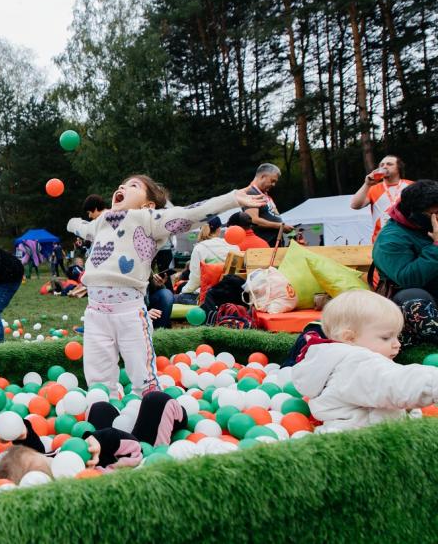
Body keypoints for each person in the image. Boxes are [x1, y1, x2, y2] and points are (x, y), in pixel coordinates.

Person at [68, 175, 264, 397]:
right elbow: (84, 228)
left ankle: (153, 410)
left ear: (148, 205)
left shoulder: (148, 219)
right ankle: (103, 411)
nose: (122, 186)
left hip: (129, 314)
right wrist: (72, 223)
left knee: (142, 376)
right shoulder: (103, 222)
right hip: (95, 313)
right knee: (97, 377)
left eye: (133, 186)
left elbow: (189, 214)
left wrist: (232, 199)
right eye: (122, 184)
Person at [292, 290, 438, 433]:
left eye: (397, 336)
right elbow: (395, 383)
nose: (397, 344)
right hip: (364, 443)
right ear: (349, 338)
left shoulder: (335, 362)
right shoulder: (357, 366)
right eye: (386, 338)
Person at [0, 392, 187, 482]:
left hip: (107, 439)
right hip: (137, 447)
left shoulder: (48, 462)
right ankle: (178, 420)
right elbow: (134, 450)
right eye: (45, 463)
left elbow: (38, 454)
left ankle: (127, 416)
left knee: (99, 407)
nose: (49, 458)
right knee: (157, 400)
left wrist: (22, 434)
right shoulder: (87, 475)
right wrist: (98, 440)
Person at [372, 179, 438, 345]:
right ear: (415, 214)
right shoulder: (390, 239)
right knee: (415, 301)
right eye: (435, 214)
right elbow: (408, 280)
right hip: (406, 299)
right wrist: (436, 247)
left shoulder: (425, 226)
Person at [350, 154, 414, 242]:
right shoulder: (372, 188)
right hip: (381, 240)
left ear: (398, 168)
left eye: (389, 164)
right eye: (382, 165)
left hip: (408, 238)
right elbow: (355, 205)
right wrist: (367, 184)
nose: (384, 166)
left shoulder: (411, 186)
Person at [178, 216, 237, 302]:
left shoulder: (199, 248)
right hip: (230, 293)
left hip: (208, 297)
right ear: (219, 229)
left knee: (178, 297)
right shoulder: (234, 247)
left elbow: (196, 279)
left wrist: (183, 291)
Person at [244, 163, 292, 247]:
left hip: (274, 241)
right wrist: (279, 226)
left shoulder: (265, 194)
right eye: (272, 181)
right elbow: (253, 220)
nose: (273, 185)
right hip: (264, 243)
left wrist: (283, 226)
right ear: (263, 176)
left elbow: (275, 215)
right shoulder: (252, 193)